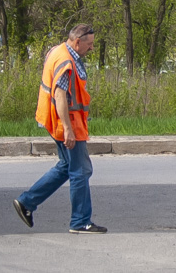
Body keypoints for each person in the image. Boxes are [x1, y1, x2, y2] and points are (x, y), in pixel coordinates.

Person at [12, 23, 106, 234]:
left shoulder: (58, 50)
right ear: (78, 42)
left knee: (66, 166)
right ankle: (80, 221)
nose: (92, 48)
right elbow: (59, 96)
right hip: (68, 124)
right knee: (81, 171)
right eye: (89, 44)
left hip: (55, 120)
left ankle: (27, 202)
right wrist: (68, 130)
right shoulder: (66, 62)